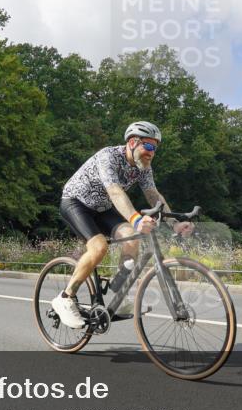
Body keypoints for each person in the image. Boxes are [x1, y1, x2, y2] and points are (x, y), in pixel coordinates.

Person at [52, 121, 194, 329]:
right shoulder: (108, 156)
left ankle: (118, 293)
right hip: (76, 203)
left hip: (101, 208)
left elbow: (153, 194)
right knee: (99, 247)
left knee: (131, 238)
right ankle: (65, 297)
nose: (152, 152)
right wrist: (137, 218)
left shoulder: (143, 167)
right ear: (133, 142)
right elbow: (115, 192)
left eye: (156, 148)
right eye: (149, 146)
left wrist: (174, 223)